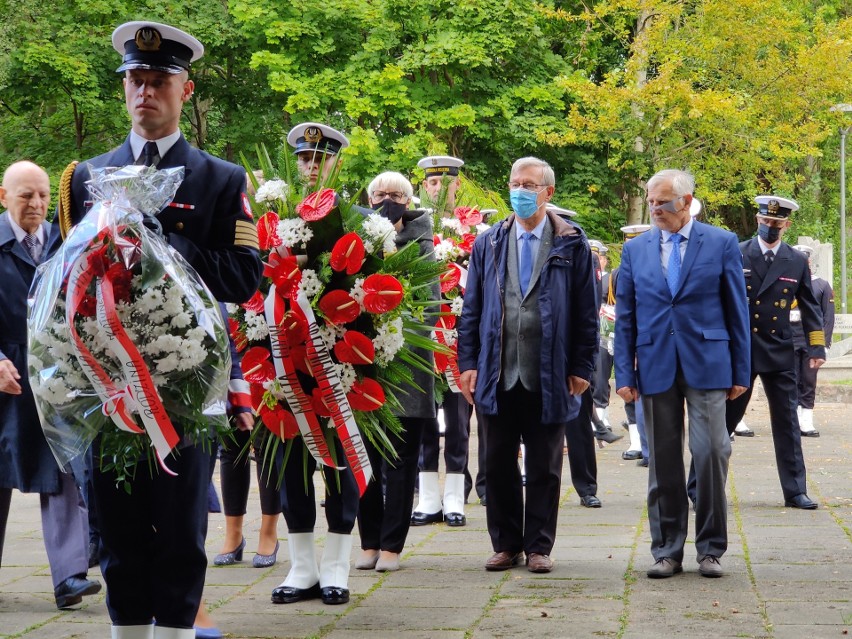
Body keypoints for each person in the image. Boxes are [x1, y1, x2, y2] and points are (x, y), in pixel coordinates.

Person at [62, 21, 263, 639]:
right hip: (111, 386)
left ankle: (176, 631)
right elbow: (62, 279)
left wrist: (165, 247)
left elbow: (244, 277)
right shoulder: (86, 176)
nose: (144, 91)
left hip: (185, 386)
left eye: (158, 81)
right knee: (117, 525)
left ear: (185, 89)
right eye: (135, 81)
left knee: (178, 529)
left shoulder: (221, 179)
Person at [457, 157, 599, 574]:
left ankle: (538, 546)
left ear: (547, 193)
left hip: (549, 370)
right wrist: (467, 361)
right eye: (515, 183)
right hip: (497, 370)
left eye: (529, 184)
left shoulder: (572, 243)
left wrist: (583, 367)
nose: (519, 190)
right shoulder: (489, 241)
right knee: (497, 461)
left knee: (544, 464)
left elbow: (586, 314)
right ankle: (505, 544)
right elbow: (472, 308)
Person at [614, 169, 750, 579]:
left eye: (663, 202)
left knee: (711, 454)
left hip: (709, 364)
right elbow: (626, 318)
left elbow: (736, 310)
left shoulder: (722, 242)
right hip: (654, 363)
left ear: (686, 202)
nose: (655, 209)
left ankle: (710, 549)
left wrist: (741, 370)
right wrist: (624, 373)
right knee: (663, 463)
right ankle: (667, 550)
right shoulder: (635, 250)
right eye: (651, 201)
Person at [0, 161, 101, 609]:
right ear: (4, 196)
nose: (37, 204)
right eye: (25, 196)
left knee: (63, 469)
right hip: (6, 376)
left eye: (42, 195)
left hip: (56, 376)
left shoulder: (66, 242)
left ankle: (70, 576)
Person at [270, 122, 359, 607]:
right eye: (304, 158)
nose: (310, 166)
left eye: (319, 158)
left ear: (335, 162)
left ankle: (337, 565)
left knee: (341, 463)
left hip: (339, 363)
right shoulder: (275, 219)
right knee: (291, 464)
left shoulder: (355, 219)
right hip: (287, 362)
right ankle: (302, 565)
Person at [356, 171, 438, 573]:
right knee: (364, 459)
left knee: (401, 459)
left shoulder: (423, 245)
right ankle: (368, 541)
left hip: (406, 368)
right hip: (361, 367)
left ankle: (392, 545)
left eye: (395, 195)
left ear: (408, 200)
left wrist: (392, 333)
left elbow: (431, 308)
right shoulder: (355, 241)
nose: (387, 200)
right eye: (379, 194)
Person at [725, 196, 826, 509]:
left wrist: (816, 344)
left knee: (787, 422)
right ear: (757, 220)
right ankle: (699, 486)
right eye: (766, 221)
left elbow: (810, 304)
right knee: (723, 422)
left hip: (779, 348)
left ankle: (795, 491)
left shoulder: (795, 260)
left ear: (787, 224)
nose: (770, 227)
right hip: (740, 349)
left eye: (777, 223)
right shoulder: (736, 253)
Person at [410, 154, 472, 527]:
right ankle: (428, 497)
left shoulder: (473, 232)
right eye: (432, 183)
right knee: (424, 423)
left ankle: (455, 498)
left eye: (445, 183)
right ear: (423, 187)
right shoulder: (414, 228)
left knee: (460, 422)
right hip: (424, 343)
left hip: (458, 344)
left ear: (457, 186)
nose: (438, 189)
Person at [608, 224, 652, 462]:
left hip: (648, 340)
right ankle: (641, 445)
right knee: (634, 395)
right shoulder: (619, 273)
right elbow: (622, 311)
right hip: (632, 338)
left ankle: (646, 448)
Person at [791, 244, 835, 437]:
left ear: (809, 261)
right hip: (788, 340)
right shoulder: (786, 282)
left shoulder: (820, 285)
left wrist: (823, 344)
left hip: (811, 340)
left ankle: (806, 418)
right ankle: (793, 418)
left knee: (809, 380)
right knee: (791, 380)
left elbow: (827, 317)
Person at [287, 122, 348, 190]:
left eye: (321, 158)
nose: (312, 165)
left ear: (338, 165)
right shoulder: (283, 199)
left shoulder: (340, 201)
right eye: (305, 159)